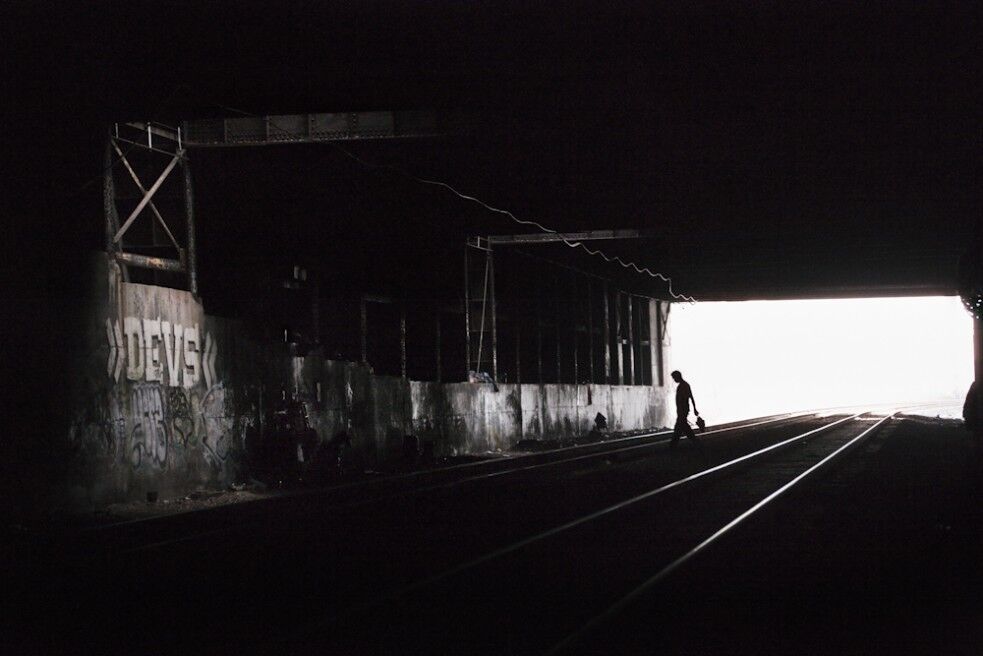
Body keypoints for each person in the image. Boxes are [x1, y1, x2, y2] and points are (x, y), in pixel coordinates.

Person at [670, 370, 699, 445]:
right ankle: (695, 442)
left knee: (679, 428)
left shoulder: (682, 386)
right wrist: (694, 409)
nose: (674, 380)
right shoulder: (685, 385)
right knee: (683, 427)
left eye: (674, 378)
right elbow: (691, 397)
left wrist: (695, 409)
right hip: (683, 410)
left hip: (682, 411)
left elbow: (689, 397)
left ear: (677, 377)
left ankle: (673, 445)